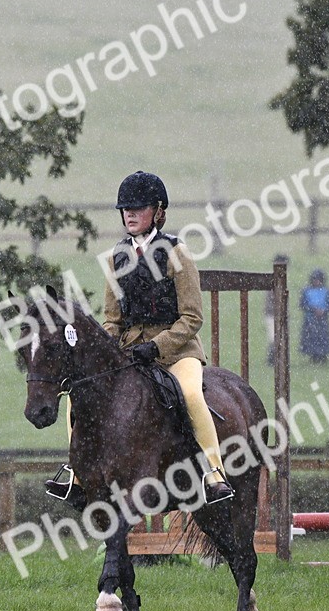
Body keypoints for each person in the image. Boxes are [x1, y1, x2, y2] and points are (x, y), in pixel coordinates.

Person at [45, 171, 234, 509]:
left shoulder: (178, 253)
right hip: (132, 353)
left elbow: (192, 317)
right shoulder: (116, 258)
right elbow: (113, 320)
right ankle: (76, 475)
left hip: (177, 353)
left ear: (158, 211)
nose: (129, 214)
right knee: (78, 395)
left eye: (138, 208)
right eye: (125, 209)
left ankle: (213, 474)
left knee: (191, 394)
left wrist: (158, 346)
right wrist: (104, 351)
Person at [298, 268, 329, 364]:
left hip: (323, 319)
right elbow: (302, 304)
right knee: (311, 338)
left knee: (322, 337)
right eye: (315, 279)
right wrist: (313, 310)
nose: (316, 282)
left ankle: (322, 356)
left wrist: (324, 311)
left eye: (318, 279)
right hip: (310, 319)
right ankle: (313, 356)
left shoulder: (327, 291)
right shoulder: (306, 291)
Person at [265, 254, 289, 366]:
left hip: (276, 314)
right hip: (272, 314)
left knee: (277, 338)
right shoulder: (275, 284)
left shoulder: (275, 283)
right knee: (274, 338)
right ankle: (273, 359)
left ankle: (276, 359)